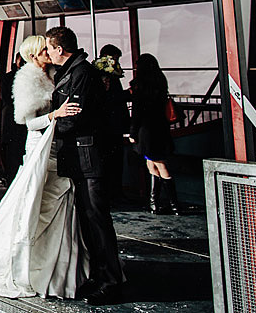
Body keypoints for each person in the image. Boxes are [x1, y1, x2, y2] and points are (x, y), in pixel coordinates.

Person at [0, 35, 84, 299]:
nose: (49, 53)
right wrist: (54, 115)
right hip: (40, 147)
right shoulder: (27, 79)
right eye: (44, 51)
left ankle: (60, 263)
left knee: (56, 199)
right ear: (33, 55)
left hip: (55, 146)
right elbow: (29, 124)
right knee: (39, 199)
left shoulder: (52, 74)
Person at [45, 26, 125, 305]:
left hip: (88, 156)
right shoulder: (74, 72)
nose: (47, 53)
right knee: (88, 220)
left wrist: (50, 125)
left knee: (97, 219)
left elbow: (75, 117)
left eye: (48, 47)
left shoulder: (80, 74)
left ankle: (111, 281)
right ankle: (100, 276)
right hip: (80, 157)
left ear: (59, 48)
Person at [129, 53, 180, 215]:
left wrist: (132, 132)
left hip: (146, 131)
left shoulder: (140, 85)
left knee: (157, 165)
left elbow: (137, 112)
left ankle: (165, 204)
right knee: (154, 164)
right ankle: (160, 204)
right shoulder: (160, 81)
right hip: (160, 128)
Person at [95, 44, 130, 201]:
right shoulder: (107, 75)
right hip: (111, 126)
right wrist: (127, 94)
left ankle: (112, 193)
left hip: (107, 126)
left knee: (110, 161)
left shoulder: (102, 73)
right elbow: (109, 98)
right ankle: (114, 193)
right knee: (114, 161)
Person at [0, 54, 26, 186]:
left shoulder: (8, 77)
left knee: (11, 152)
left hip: (10, 120)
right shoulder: (19, 77)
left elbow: (5, 97)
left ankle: (11, 178)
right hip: (14, 121)